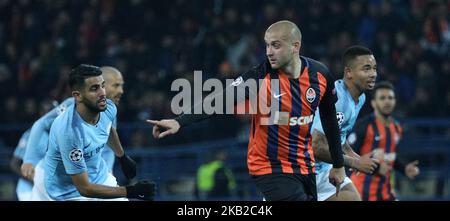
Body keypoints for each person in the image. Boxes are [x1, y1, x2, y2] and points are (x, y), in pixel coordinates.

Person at [148, 20, 345, 201]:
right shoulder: (260, 76)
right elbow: (221, 99)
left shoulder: (320, 74)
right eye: (267, 45)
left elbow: (329, 120)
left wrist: (338, 164)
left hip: (304, 165)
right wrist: (179, 121)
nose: (268, 51)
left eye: (275, 45)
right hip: (269, 166)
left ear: (295, 47)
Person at [30, 64, 155, 201]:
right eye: (94, 89)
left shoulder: (109, 107)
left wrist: (122, 157)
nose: (102, 93)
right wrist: (130, 191)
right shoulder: (69, 132)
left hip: (99, 176)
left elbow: (107, 129)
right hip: (68, 191)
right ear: (77, 96)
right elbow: (84, 189)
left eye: (102, 86)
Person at [21, 66, 131, 187]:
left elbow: (108, 145)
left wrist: (112, 168)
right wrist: (29, 160)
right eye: (116, 85)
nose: (121, 91)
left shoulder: (110, 110)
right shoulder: (72, 106)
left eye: (121, 85)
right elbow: (41, 123)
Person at [311, 45, 379, 201]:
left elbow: (339, 137)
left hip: (323, 170)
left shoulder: (360, 98)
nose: (373, 74)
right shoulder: (337, 100)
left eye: (374, 69)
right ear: (349, 72)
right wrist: (354, 163)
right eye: (366, 69)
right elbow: (316, 146)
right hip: (298, 171)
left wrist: (357, 158)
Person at [349, 81, 420, 201]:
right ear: (373, 103)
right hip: (361, 193)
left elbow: (391, 156)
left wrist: (404, 168)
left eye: (390, 98)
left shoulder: (397, 128)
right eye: (382, 98)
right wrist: (376, 168)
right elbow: (348, 156)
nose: (387, 101)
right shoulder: (364, 126)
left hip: (386, 192)